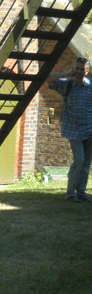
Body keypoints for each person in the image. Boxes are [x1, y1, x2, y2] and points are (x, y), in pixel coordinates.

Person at [46, 57, 92, 202]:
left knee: (86, 163)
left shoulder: (90, 86)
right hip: (73, 130)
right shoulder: (67, 85)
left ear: (87, 71)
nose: (79, 71)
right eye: (76, 68)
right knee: (79, 160)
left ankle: (81, 192)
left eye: (81, 69)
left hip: (89, 129)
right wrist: (66, 73)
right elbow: (47, 79)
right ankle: (70, 193)